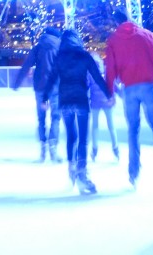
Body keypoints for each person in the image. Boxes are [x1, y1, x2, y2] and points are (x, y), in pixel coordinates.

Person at [105, 9, 153, 186]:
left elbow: (110, 68)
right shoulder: (146, 34)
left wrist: (110, 92)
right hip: (148, 86)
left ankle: (133, 171)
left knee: (133, 129)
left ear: (117, 23)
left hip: (129, 89)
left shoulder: (114, 41)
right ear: (129, 19)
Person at [42, 30, 112, 193]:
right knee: (82, 139)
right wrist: (108, 94)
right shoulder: (84, 55)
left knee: (71, 137)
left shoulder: (60, 57)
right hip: (81, 100)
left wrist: (44, 98)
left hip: (65, 101)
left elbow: (51, 79)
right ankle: (82, 172)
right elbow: (97, 77)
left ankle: (71, 168)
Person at [12, 26, 62, 162]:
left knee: (41, 118)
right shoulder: (61, 47)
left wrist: (17, 83)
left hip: (40, 87)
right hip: (56, 87)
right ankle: (53, 147)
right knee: (56, 117)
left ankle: (43, 148)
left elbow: (26, 65)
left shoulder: (38, 47)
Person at [88, 55, 120, 162]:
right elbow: (113, 85)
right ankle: (115, 149)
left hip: (95, 102)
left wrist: (87, 99)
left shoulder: (89, 72)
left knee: (95, 126)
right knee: (111, 126)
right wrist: (119, 95)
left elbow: (87, 86)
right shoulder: (107, 71)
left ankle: (94, 149)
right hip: (107, 101)